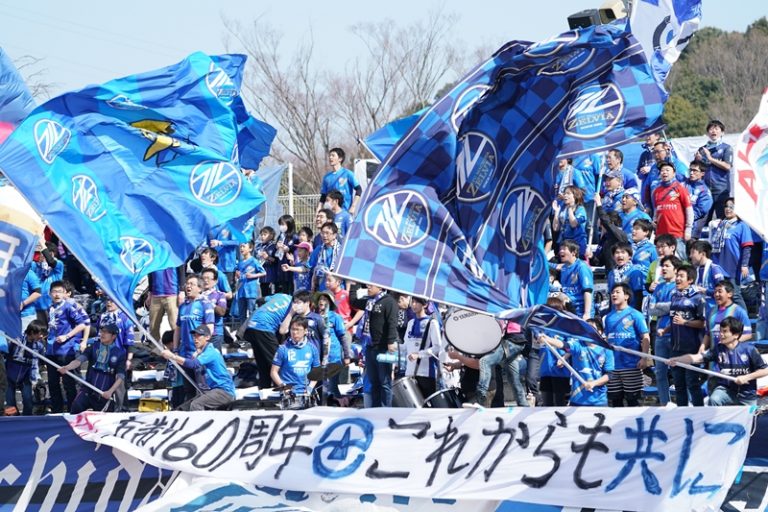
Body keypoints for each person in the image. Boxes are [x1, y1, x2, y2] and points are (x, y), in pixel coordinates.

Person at [669, 317, 768, 406]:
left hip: (747, 395)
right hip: (725, 390)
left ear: (736, 335)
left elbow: (765, 370)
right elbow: (696, 358)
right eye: (720, 331)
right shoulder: (718, 349)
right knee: (714, 399)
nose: (721, 334)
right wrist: (678, 360)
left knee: (751, 418)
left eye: (724, 331)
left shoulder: (749, 350)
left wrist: (747, 377)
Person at [538, 322, 614, 407]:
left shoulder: (606, 350)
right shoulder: (578, 345)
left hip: (599, 401)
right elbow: (565, 345)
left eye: (590, 328)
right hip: (577, 401)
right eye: (584, 328)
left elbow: (609, 374)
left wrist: (594, 383)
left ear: (600, 332)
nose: (586, 331)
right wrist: (548, 340)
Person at [162, 324, 236, 411]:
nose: (195, 339)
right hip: (211, 391)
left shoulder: (211, 351)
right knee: (181, 409)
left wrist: (172, 356)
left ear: (207, 337)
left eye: (199, 336)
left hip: (224, 392)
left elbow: (193, 364)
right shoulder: (201, 353)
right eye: (194, 336)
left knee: (196, 405)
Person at [350, 283, 399, 408]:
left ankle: (386, 409)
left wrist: (391, 341)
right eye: (368, 285)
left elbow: (392, 322)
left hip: (384, 348)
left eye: (372, 285)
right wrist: (353, 285)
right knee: (374, 381)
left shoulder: (389, 301)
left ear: (381, 286)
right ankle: (376, 409)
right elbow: (354, 301)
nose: (369, 287)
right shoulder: (369, 301)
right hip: (370, 347)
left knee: (385, 382)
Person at [60, 324, 126, 413]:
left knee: (103, 418)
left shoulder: (120, 353)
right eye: (102, 331)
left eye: (106, 332)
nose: (102, 334)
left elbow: (120, 376)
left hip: (105, 393)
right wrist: (67, 367)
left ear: (113, 336)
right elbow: (79, 360)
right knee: (76, 408)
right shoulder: (93, 347)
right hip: (88, 389)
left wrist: (110, 392)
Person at [46, 280, 90, 413]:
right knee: (53, 383)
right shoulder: (49, 308)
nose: (57, 294)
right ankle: (57, 410)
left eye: (60, 292)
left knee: (69, 383)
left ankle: (73, 410)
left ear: (65, 293)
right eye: (54, 292)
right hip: (51, 351)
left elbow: (82, 324)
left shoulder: (68, 307)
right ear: (50, 293)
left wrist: (67, 336)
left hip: (66, 350)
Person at [665, 265, 707, 406]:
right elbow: (674, 320)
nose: (677, 278)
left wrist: (685, 322)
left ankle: (699, 413)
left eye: (681, 276)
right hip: (675, 348)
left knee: (692, 384)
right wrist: (665, 330)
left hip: (691, 349)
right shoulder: (674, 296)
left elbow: (703, 323)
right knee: (679, 385)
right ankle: (682, 413)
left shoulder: (698, 298)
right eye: (677, 275)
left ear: (690, 280)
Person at [604, 283, 650, 407]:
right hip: (613, 366)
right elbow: (608, 339)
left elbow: (645, 337)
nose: (614, 295)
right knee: (615, 401)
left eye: (617, 292)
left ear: (626, 296)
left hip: (631, 365)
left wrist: (644, 358)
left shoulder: (635, 315)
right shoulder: (608, 317)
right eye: (612, 292)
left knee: (633, 401)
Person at [173, 274, 215, 403]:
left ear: (200, 288)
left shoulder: (205, 304)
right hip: (184, 353)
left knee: (202, 387)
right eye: (187, 284)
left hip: (199, 354)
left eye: (192, 284)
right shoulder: (182, 306)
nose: (188, 286)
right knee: (188, 388)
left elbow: (209, 328)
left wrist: (200, 350)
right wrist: (175, 349)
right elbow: (178, 329)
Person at [648, 255, 683, 405]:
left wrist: (661, 307)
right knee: (660, 372)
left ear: (676, 269)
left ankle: (684, 405)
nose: (663, 268)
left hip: (676, 335)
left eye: (667, 266)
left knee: (678, 372)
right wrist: (668, 307)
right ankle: (664, 404)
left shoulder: (680, 286)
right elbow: (651, 309)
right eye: (662, 266)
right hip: (660, 334)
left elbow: (678, 305)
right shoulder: (659, 287)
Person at [242, 293, 292, 389]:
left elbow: (260, 300)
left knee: (263, 364)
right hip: (265, 327)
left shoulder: (280, 296)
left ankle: (264, 390)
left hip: (252, 325)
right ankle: (282, 391)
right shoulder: (295, 306)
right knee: (278, 363)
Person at [710, 198, 755, 290]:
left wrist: (744, 265)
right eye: (726, 206)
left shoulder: (742, 225)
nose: (728, 209)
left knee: (734, 294)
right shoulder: (720, 225)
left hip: (733, 267)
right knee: (719, 292)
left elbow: (747, 247)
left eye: (731, 207)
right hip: (718, 266)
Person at [403, 297, 443, 399]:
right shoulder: (410, 323)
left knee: (426, 404)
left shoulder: (432, 322)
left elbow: (437, 347)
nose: (414, 305)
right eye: (412, 302)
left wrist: (419, 355)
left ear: (425, 305)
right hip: (410, 373)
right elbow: (405, 346)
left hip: (426, 373)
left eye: (417, 302)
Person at [5, 320, 46, 416]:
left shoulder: (39, 346)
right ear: (32, 332)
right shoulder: (16, 340)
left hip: (25, 377)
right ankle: (14, 420)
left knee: (28, 400)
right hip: (9, 376)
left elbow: (40, 362)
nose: (41, 336)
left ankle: (27, 419)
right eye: (40, 333)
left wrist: (36, 378)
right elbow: (5, 354)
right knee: (10, 401)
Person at [652, 161, 693, 258]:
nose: (664, 172)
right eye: (662, 170)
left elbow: (689, 210)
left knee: (680, 261)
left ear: (674, 173)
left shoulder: (680, 188)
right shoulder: (656, 191)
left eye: (667, 170)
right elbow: (656, 209)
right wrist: (654, 221)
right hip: (661, 234)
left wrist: (688, 229)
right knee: (662, 261)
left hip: (677, 233)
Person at [271, 316, 320, 394]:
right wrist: (284, 387)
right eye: (292, 329)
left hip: (305, 393)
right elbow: (273, 372)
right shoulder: (283, 348)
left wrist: (310, 388)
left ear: (305, 331)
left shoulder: (312, 349)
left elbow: (317, 373)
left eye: (298, 329)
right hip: (287, 393)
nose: (294, 332)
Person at [695, 119, 734, 220]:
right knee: (703, 219)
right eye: (711, 129)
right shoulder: (702, 149)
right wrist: (698, 161)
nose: (713, 131)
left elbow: (727, 166)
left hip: (721, 189)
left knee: (722, 219)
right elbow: (697, 169)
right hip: (705, 190)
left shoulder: (726, 148)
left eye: (716, 129)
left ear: (722, 132)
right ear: (707, 133)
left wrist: (710, 158)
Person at [315, 291, 350, 398]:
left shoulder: (335, 317)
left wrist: (346, 356)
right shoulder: (314, 317)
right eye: (320, 299)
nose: (322, 301)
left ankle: (338, 403)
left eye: (325, 299)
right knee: (319, 386)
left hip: (333, 356)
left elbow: (342, 337)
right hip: (318, 357)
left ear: (330, 302)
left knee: (333, 387)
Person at [703, 280, 752, 350]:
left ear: (730, 294)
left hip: (733, 354)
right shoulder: (711, 311)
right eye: (715, 292)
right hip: (715, 354)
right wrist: (701, 349)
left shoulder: (739, 311)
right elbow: (708, 334)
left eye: (720, 291)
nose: (716, 294)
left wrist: (731, 345)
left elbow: (747, 334)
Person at [550, 240, 593, 319]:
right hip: (568, 310)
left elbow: (588, 291)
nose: (560, 251)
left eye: (564, 249)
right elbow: (549, 265)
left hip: (580, 311)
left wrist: (587, 313)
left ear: (573, 252)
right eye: (560, 249)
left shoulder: (582, 267)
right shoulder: (564, 267)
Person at [317, 147, 362, 217]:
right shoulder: (327, 177)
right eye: (330, 155)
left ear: (340, 159)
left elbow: (359, 189)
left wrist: (353, 206)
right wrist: (318, 209)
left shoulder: (348, 173)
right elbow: (323, 196)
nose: (330, 157)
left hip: (346, 211)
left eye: (333, 155)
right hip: (331, 213)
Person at [689, 240, 731, 310]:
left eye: (693, 252)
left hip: (714, 310)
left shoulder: (714, 269)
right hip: (700, 309)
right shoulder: (696, 270)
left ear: (702, 254)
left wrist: (704, 291)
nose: (690, 256)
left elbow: (723, 292)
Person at [607, 242, 646, 311]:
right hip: (615, 311)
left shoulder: (635, 271)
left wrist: (636, 312)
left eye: (623, 252)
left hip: (630, 310)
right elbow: (611, 294)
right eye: (617, 253)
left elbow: (639, 295)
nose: (620, 255)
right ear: (613, 256)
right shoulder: (611, 273)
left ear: (629, 256)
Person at [552, 186, 588, 257]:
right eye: (564, 193)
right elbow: (555, 228)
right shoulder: (563, 209)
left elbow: (573, 224)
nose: (565, 195)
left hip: (576, 245)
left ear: (575, 196)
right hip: (564, 244)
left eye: (568, 193)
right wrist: (556, 213)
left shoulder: (580, 209)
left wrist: (570, 209)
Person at [235, 241, 266, 322]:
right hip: (241, 291)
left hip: (251, 291)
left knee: (252, 312)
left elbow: (263, 273)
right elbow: (238, 276)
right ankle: (242, 329)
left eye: (244, 246)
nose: (241, 249)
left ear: (250, 248)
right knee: (241, 314)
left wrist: (253, 276)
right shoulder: (240, 263)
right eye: (241, 247)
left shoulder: (254, 261)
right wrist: (237, 275)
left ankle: (252, 329)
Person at [147, 268, 180, 343]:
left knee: (174, 324)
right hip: (156, 294)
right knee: (153, 325)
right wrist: (150, 292)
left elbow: (181, 271)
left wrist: (182, 291)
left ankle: (178, 345)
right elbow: (150, 273)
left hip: (172, 293)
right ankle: (154, 346)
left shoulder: (174, 259)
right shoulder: (154, 260)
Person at [200, 268, 228, 351]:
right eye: (203, 278)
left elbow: (222, 312)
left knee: (214, 357)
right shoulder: (197, 295)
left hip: (215, 333)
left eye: (208, 278)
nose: (205, 281)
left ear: (215, 281)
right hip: (199, 333)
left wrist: (209, 303)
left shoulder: (220, 295)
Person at [684, 161, 713, 239]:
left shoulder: (705, 191)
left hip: (692, 229)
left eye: (695, 171)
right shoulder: (683, 184)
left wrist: (684, 217)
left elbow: (701, 210)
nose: (691, 173)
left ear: (702, 173)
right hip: (677, 225)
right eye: (690, 170)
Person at [310, 222, 341, 292]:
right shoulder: (318, 249)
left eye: (327, 233)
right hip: (322, 290)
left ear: (334, 235)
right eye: (322, 233)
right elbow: (308, 267)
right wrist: (290, 268)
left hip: (338, 289)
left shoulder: (341, 250)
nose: (324, 235)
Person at [207, 224, 239, 289]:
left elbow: (236, 242)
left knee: (227, 289)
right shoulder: (210, 227)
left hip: (227, 266)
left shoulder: (230, 225)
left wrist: (220, 243)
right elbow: (208, 244)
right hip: (214, 266)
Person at [274, 214, 299, 295]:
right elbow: (276, 248)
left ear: (289, 224)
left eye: (283, 224)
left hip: (290, 263)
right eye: (280, 224)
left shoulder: (294, 237)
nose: (281, 226)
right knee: (282, 286)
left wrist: (286, 248)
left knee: (290, 286)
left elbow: (292, 247)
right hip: (281, 263)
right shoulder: (281, 236)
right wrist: (277, 246)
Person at [255, 226, 278, 297]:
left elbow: (277, 261)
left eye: (265, 235)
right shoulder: (259, 246)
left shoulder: (274, 246)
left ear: (271, 235)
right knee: (263, 296)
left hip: (271, 276)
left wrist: (267, 257)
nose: (262, 236)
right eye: (261, 235)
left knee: (270, 297)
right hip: (262, 276)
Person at [19, 268, 42, 332]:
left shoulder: (29, 273)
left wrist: (23, 304)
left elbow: (38, 293)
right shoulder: (9, 273)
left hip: (26, 315)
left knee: (26, 337)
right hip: (10, 315)